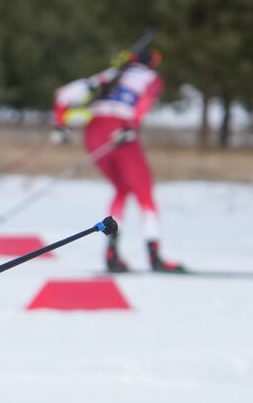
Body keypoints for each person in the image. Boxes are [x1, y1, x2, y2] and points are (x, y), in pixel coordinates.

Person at [53, 45, 185, 273]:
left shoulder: (110, 75)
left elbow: (63, 95)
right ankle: (154, 255)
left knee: (122, 189)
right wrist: (130, 126)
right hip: (119, 131)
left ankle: (111, 253)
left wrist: (60, 124)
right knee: (144, 191)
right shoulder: (150, 77)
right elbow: (144, 102)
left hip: (93, 134)